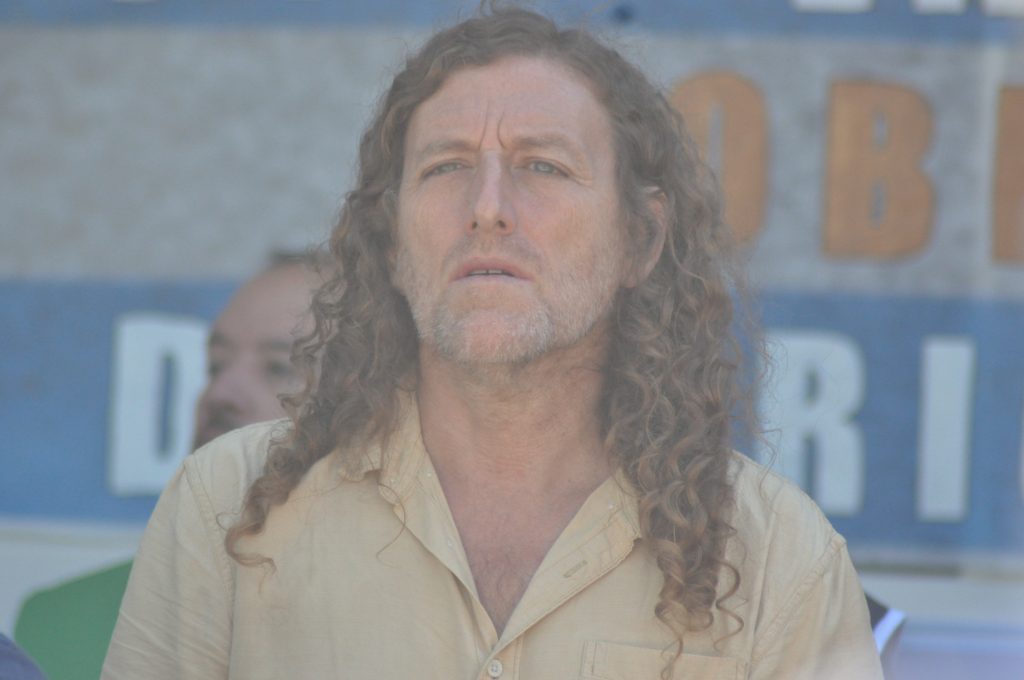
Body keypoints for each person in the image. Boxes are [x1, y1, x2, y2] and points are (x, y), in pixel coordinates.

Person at [103, 8, 883, 679]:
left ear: (642, 240)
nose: (487, 206)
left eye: (542, 165)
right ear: (391, 242)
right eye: (446, 166)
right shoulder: (229, 506)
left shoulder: (777, 556)